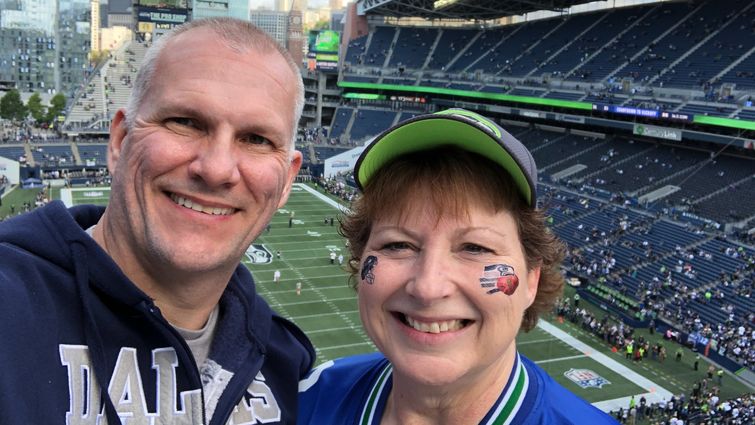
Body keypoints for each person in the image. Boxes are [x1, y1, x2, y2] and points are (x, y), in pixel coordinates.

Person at [0, 18, 314, 424]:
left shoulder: (289, 365)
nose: (216, 169)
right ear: (119, 141)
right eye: (184, 122)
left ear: (288, 179)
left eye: (256, 139)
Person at [299, 109, 617, 423]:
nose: (428, 287)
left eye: (475, 248)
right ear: (360, 256)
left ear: (532, 281)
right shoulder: (306, 401)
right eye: (397, 245)